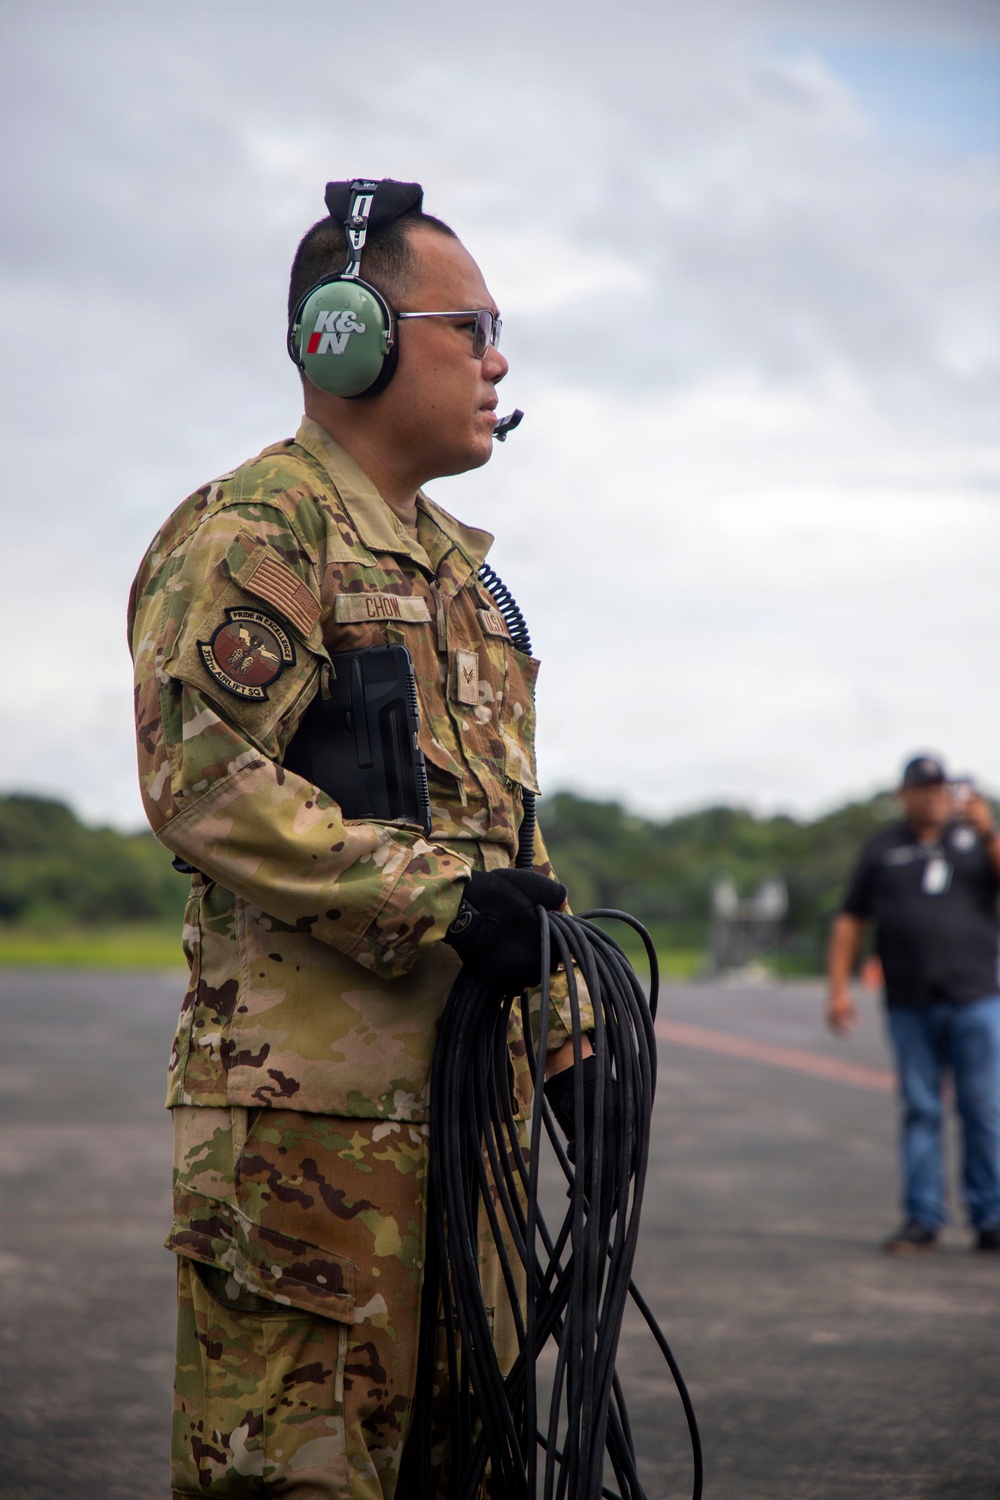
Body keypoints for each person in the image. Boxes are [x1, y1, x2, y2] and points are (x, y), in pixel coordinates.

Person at [128, 178, 589, 1499]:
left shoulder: (460, 576)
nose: (499, 363)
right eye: (473, 328)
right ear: (353, 339)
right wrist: (438, 905)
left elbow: (504, 841)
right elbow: (205, 784)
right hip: (310, 1139)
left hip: (466, 1115)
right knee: (299, 1476)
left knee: (474, 1464)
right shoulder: (261, 532)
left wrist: (567, 1038)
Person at [826, 754, 1000, 1254]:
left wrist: (988, 832)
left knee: (983, 1108)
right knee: (921, 1109)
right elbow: (850, 918)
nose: (933, 796)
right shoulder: (883, 848)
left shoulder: (976, 842)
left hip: (974, 996)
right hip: (910, 1000)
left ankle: (991, 1216)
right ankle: (923, 1218)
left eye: (941, 788)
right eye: (923, 788)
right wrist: (838, 988)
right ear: (903, 794)